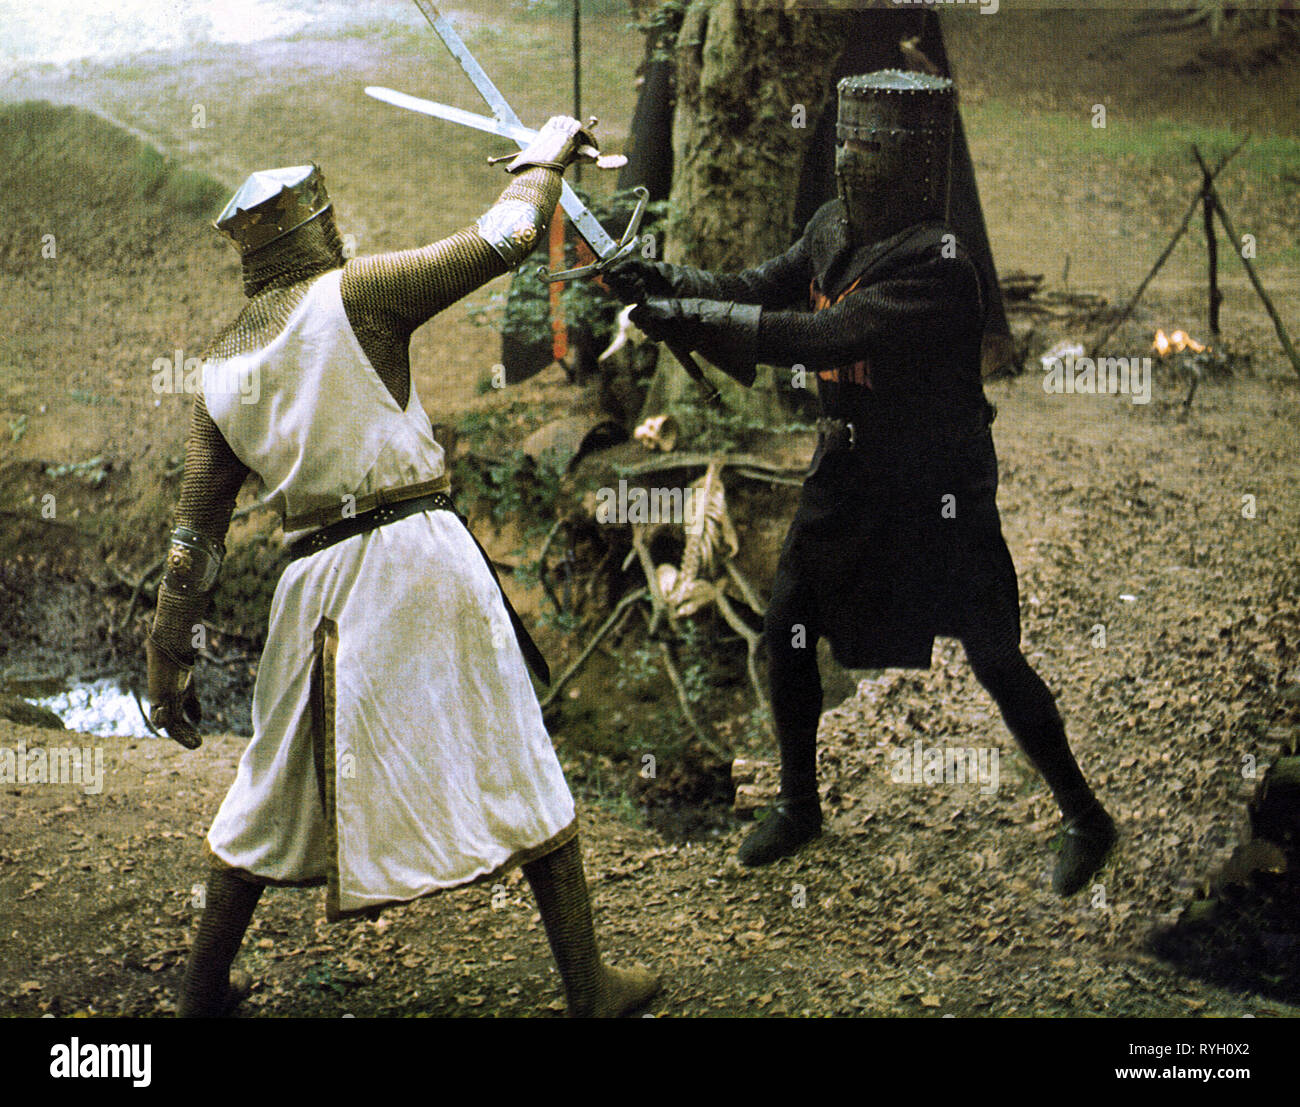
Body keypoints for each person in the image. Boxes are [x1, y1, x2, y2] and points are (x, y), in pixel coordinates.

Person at [146, 116, 659, 1017]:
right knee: (515, 755)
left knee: (271, 785)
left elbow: (195, 541)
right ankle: (588, 987)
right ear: (321, 228)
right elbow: (502, 236)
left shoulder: (220, 368)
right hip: (418, 558)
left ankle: (199, 996)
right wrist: (545, 155)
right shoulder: (359, 291)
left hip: (314, 585)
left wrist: (168, 649)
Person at [603, 72, 1117, 895]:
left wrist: (690, 319)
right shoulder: (832, 226)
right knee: (788, 629)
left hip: (936, 483)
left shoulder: (941, 267)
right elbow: (751, 290)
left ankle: (1087, 815)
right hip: (849, 469)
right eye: (845, 142)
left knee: (992, 652)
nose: (851, 161)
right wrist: (660, 282)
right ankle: (801, 805)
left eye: (870, 148)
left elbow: (821, 334)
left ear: (914, 163)